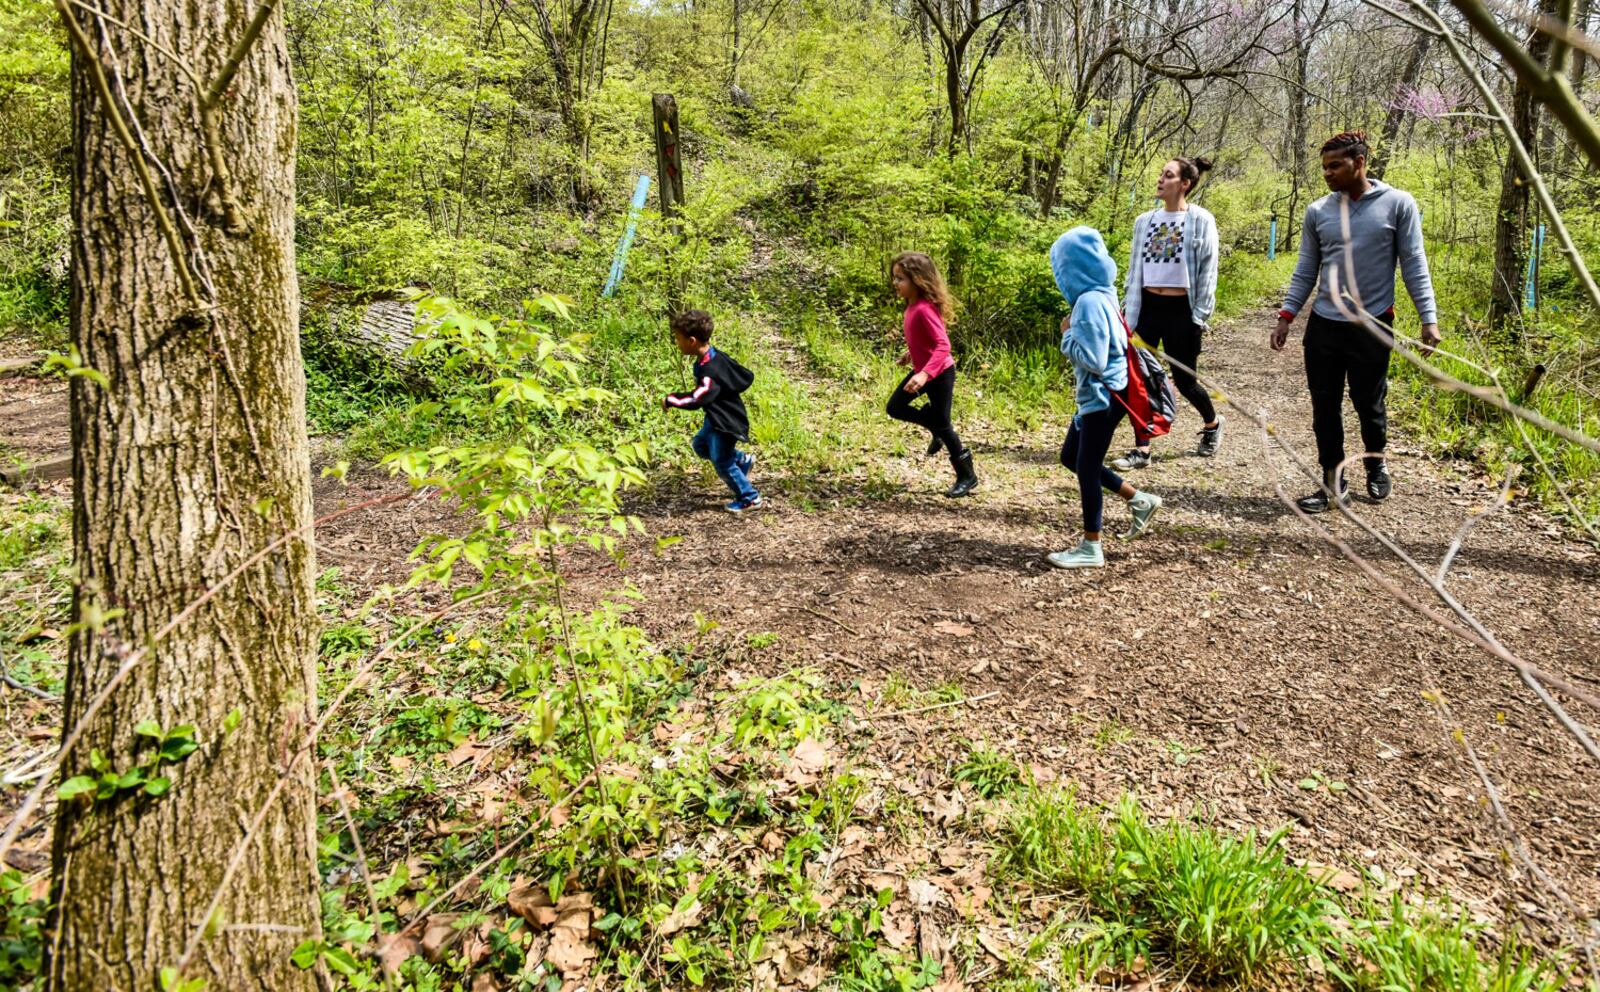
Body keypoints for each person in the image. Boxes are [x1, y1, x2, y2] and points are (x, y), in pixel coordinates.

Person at [1271, 130, 1440, 512]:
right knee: (1324, 407)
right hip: (1325, 326)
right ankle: (1333, 484)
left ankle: (1375, 463)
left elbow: (1414, 264)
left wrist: (1428, 319)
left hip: (1374, 324)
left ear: (1359, 163)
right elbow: (1305, 269)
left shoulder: (1398, 204)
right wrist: (1286, 316)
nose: (1327, 174)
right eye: (1324, 167)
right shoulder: (1318, 211)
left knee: (1369, 403)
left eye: (1335, 166)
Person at [1047, 227, 1164, 569]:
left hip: (1102, 397)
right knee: (1072, 457)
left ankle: (1090, 546)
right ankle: (1138, 499)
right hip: (1101, 397)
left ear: (1071, 268)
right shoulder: (1105, 294)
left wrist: (1066, 335)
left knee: (1085, 467)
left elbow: (1094, 359)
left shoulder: (1088, 303)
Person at [1113, 155, 1224, 470]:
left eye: (1168, 175)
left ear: (1185, 184)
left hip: (1182, 312)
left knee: (1185, 381)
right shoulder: (1144, 221)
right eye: (1161, 174)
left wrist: (1200, 315)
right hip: (1146, 308)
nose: (1160, 179)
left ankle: (1212, 424)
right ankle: (1142, 448)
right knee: (1139, 379)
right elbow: (1134, 270)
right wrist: (1128, 310)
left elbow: (1208, 271)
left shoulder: (1201, 220)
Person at [886, 251, 978, 498]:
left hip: (939, 373)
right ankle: (933, 427)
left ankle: (967, 476)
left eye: (900, 279)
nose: (895, 283)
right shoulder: (913, 305)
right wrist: (911, 353)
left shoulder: (925, 309)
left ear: (917, 279)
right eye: (894, 278)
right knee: (895, 407)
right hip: (924, 370)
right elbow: (924, 340)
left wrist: (924, 374)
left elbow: (943, 345)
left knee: (944, 424)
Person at [663, 309, 762, 513]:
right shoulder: (711, 356)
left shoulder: (710, 371)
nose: (676, 343)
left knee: (722, 461)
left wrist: (672, 399)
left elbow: (697, 398)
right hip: (716, 417)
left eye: (678, 339)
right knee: (700, 446)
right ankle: (741, 460)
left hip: (726, 422)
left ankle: (749, 497)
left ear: (691, 341)